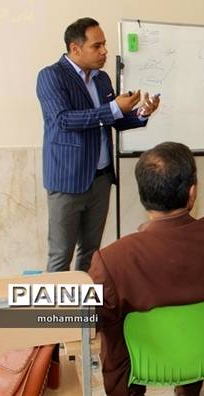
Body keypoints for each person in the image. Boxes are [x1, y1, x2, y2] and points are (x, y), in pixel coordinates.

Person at [89, 142, 204, 396]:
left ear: (143, 195)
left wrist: (26, 303)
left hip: (143, 368)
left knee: (114, 328)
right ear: (192, 192)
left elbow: (85, 319)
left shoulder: (113, 260)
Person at [37, 17, 160, 272]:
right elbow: (63, 120)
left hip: (101, 181)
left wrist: (142, 113)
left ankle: (85, 300)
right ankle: (57, 301)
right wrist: (114, 107)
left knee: (91, 254)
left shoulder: (102, 79)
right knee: (60, 257)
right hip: (68, 182)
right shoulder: (51, 76)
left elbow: (114, 120)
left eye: (104, 44)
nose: (105, 51)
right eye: (97, 46)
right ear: (75, 49)